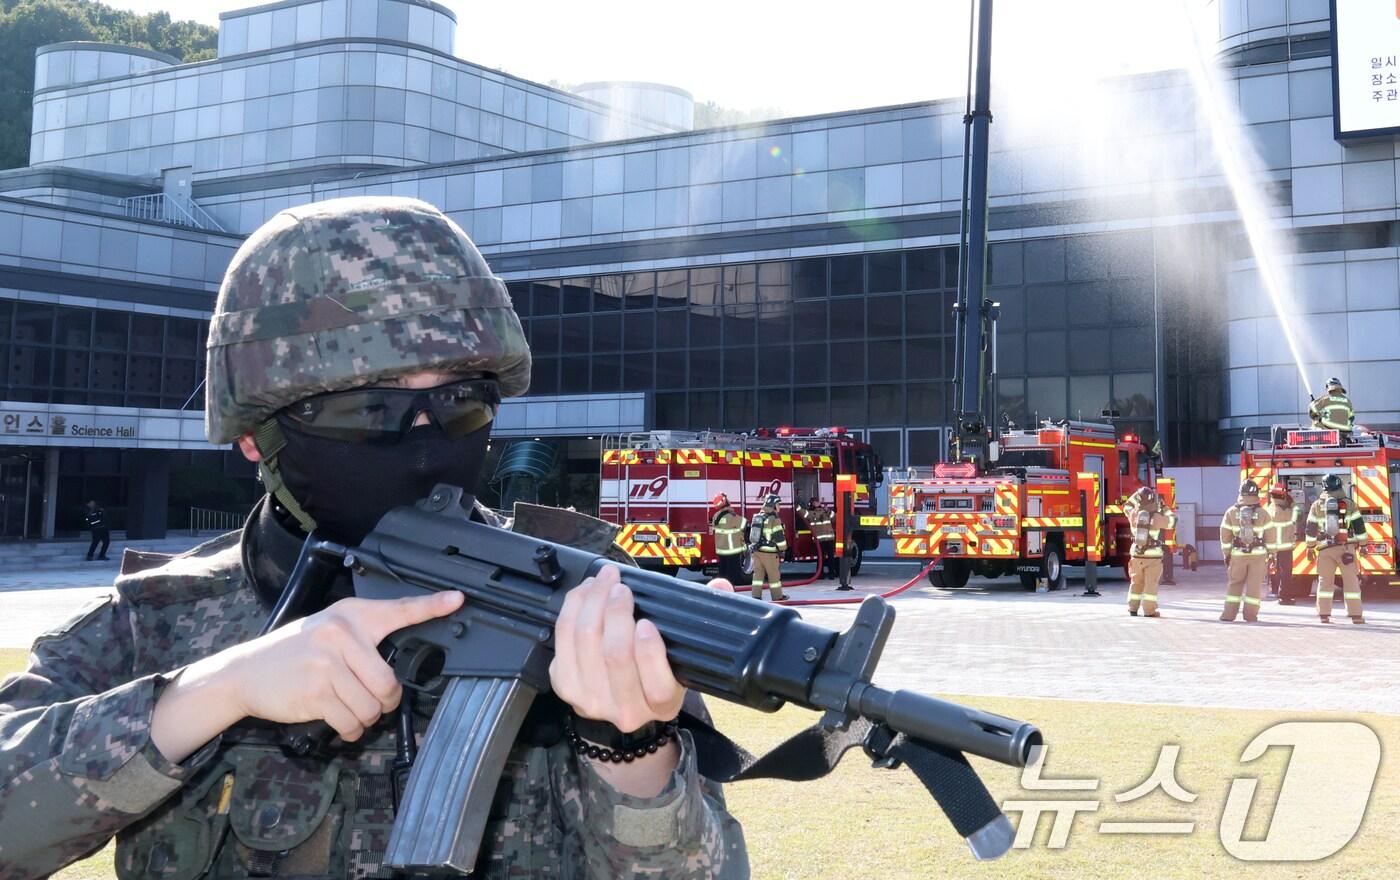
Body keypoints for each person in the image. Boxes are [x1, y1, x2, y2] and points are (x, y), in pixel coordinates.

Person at [0, 198, 747, 879]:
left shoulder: (581, 602)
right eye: (366, 409)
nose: (423, 439)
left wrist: (632, 756)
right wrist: (214, 692)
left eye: (460, 400)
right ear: (256, 438)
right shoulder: (158, 620)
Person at [1304, 474, 1366, 624]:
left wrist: (1310, 547)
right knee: (1351, 581)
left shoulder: (1316, 505)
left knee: (1325, 582)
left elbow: (1310, 528)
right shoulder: (1349, 504)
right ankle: (1356, 615)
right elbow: (1359, 526)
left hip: (1325, 549)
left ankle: (1324, 615)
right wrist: (1363, 545)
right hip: (1346, 548)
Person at [1219, 481, 1269, 622]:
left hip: (1238, 555)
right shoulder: (1263, 513)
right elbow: (1270, 535)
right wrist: (1272, 553)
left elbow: (1225, 534)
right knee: (1254, 587)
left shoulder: (1231, 512)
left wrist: (1227, 553)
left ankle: (1228, 615)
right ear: (1256, 493)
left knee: (1234, 584)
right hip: (1258, 556)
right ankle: (1250, 615)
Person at [1123, 487, 1174, 617]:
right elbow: (1173, 521)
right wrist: (1163, 506)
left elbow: (1126, 505)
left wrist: (1137, 495)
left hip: (1136, 555)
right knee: (1150, 585)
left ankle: (1132, 608)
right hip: (1153, 557)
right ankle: (1149, 611)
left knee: (1136, 583)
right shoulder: (1157, 517)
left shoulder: (1133, 514)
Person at [748, 493, 787, 601]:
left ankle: (756, 596)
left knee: (757, 575)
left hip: (757, 552)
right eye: (778, 504)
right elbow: (779, 537)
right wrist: (783, 549)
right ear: (773, 505)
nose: (779, 506)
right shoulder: (774, 519)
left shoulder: (758, 516)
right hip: (769, 554)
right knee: (774, 576)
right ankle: (777, 597)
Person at [1263, 483, 1297, 599]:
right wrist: (1293, 503)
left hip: (1272, 547)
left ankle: (1275, 590)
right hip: (1285, 548)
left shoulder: (1269, 509)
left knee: (1275, 570)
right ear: (1283, 495)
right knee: (1286, 572)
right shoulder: (1288, 512)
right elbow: (1299, 514)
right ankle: (1284, 596)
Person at [709, 492, 747, 586]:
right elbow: (744, 524)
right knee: (733, 572)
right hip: (732, 549)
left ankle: (722, 587)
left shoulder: (716, 516)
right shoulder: (731, 516)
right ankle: (729, 588)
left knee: (723, 571)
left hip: (721, 549)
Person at [802, 497, 837, 579]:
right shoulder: (811, 513)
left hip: (829, 539)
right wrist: (797, 506)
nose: (817, 503)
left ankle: (831, 573)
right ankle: (820, 574)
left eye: (817, 502)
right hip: (819, 540)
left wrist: (828, 511)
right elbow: (802, 513)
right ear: (812, 504)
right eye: (815, 502)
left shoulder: (825, 511)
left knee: (831, 557)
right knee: (820, 558)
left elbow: (834, 518)